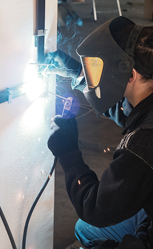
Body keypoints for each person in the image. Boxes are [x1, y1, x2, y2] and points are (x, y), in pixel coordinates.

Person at [44, 16, 153, 249]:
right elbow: (126, 112)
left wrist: (69, 152)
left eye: (99, 69)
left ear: (130, 74)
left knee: (91, 228)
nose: (97, 76)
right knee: (86, 229)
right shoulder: (147, 104)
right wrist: (78, 73)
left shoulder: (142, 143)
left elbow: (94, 208)